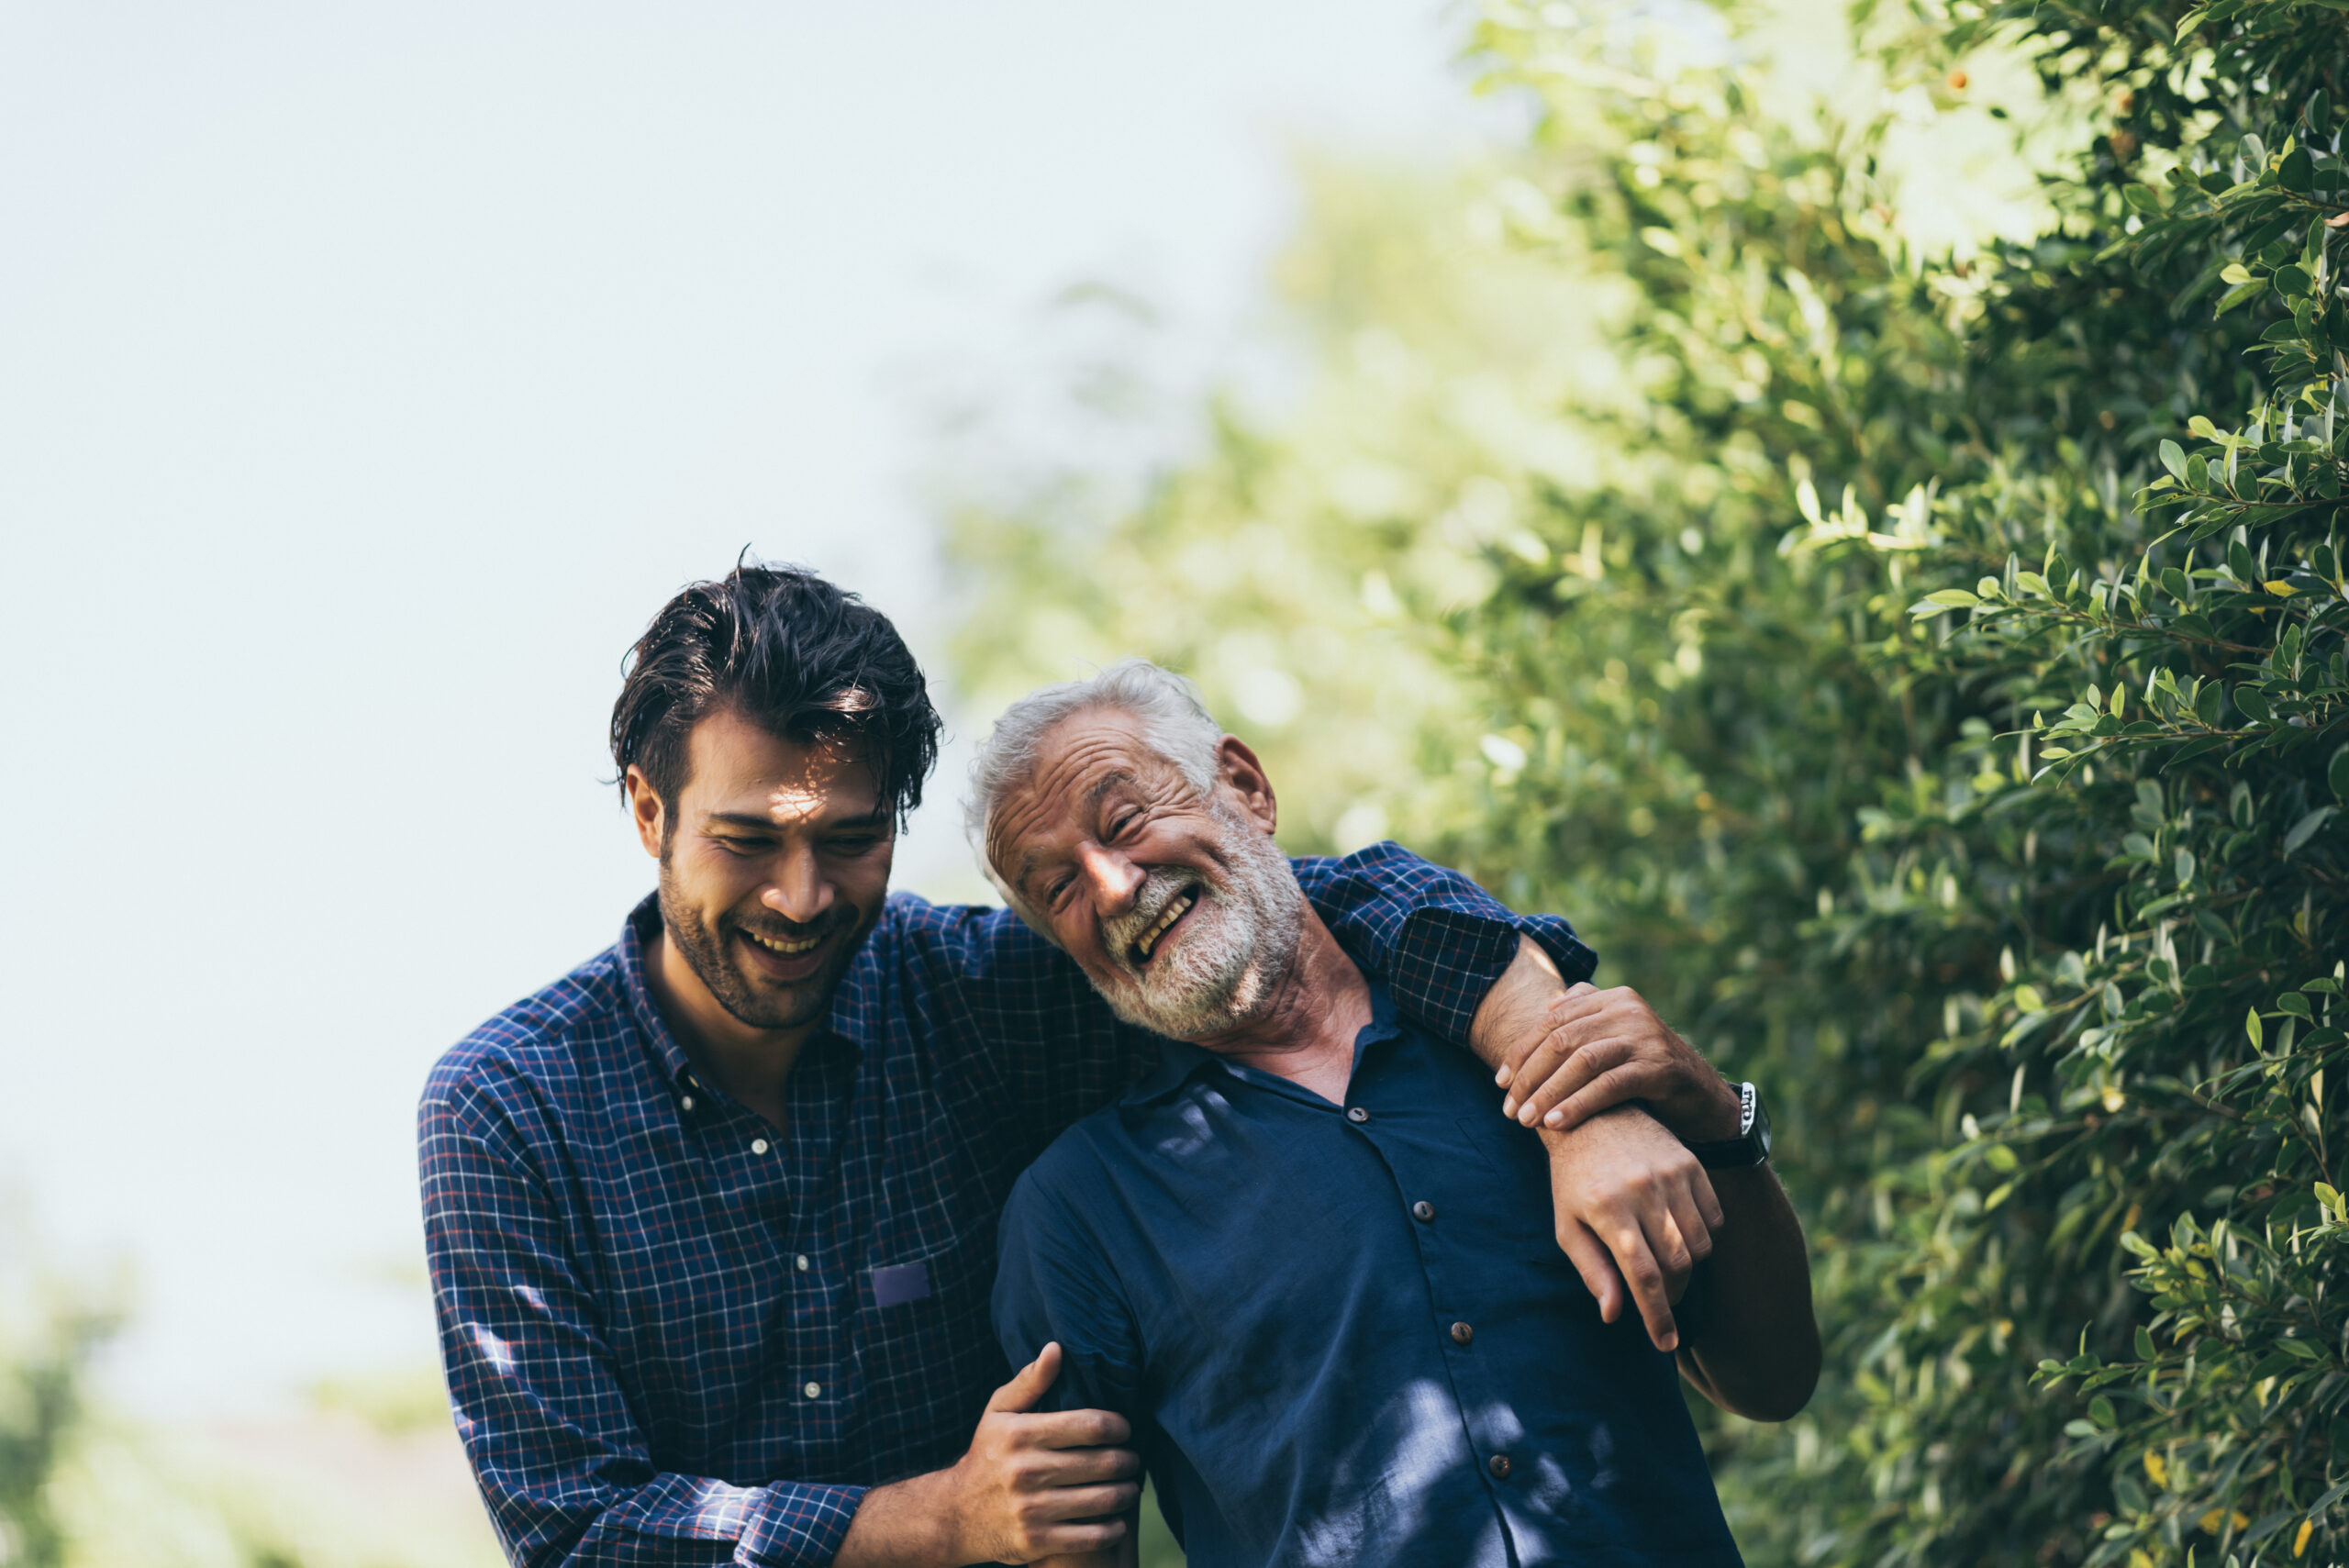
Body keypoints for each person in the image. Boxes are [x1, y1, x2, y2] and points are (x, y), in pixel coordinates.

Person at [418, 565, 1722, 1568]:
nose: (804, 896)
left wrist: (1567, 1085)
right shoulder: (508, 1109)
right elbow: (576, 1528)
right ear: (650, 813)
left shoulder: (978, 998)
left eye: (855, 841)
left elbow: (1304, 911)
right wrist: (936, 1519)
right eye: (747, 840)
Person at [978, 661, 1822, 1568]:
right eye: (1056, 887)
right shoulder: (1077, 1211)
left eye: (1125, 818)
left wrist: (1705, 1104)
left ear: (1244, 786)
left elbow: (1771, 1378)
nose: (1108, 885)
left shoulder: (1530, 1031)